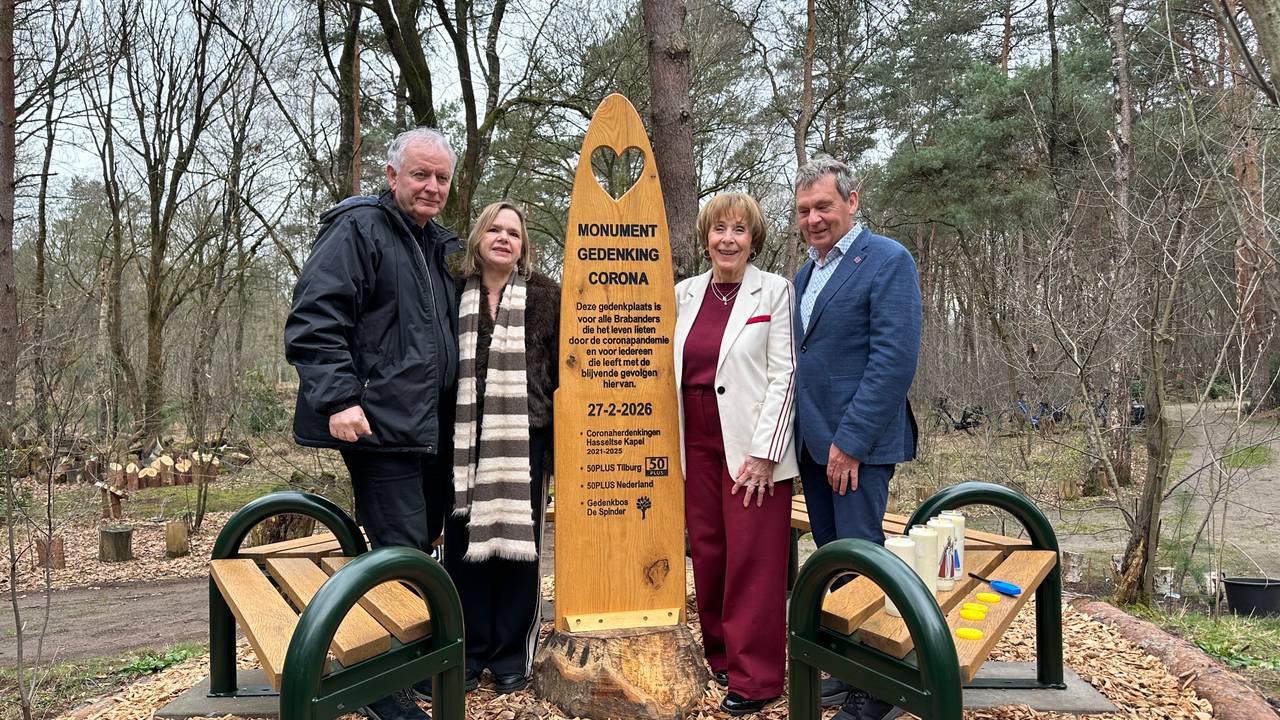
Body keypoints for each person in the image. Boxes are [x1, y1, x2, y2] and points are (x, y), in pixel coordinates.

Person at [284, 127, 461, 720]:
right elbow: (314, 319)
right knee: (397, 550)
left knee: (420, 546)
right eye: (420, 174)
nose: (431, 186)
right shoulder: (359, 228)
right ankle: (382, 686)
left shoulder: (431, 244)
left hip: (425, 428)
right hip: (378, 427)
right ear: (392, 176)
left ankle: (407, 660)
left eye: (441, 177)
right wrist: (339, 399)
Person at [791, 156, 922, 720]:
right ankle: (849, 668)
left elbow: (893, 360)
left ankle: (882, 688)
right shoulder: (805, 275)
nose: (814, 219)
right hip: (814, 445)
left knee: (866, 563)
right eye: (804, 211)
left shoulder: (888, 260)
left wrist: (851, 442)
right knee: (835, 562)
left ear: (852, 201)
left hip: (857, 449)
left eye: (823, 206)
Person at [673, 193, 798, 717]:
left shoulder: (775, 291)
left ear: (753, 239)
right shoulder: (683, 294)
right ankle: (721, 655)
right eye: (719, 229)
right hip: (695, 437)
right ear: (706, 237)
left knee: (753, 558)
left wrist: (765, 453)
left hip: (752, 443)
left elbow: (785, 375)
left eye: (739, 230)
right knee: (709, 551)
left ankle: (758, 677)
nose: (728, 239)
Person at [445, 201, 559, 695]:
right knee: (463, 550)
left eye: (513, 232)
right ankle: (469, 652)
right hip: (462, 442)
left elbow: (562, 374)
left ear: (523, 245)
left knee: (518, 552)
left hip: (524, 440)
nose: (504, 238)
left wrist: (556, 450)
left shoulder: (547, 297)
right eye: (494, 229)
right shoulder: (451, 293)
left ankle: (512, 655)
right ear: (478, 237)